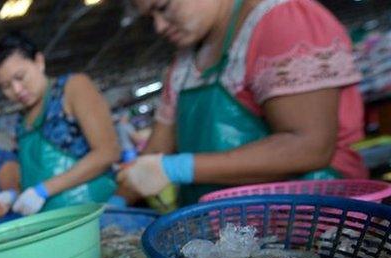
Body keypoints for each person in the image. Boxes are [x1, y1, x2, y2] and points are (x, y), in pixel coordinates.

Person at [119, 0, 367, 206]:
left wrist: (178, 168)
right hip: (223, 227)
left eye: (162, 7)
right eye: (150, 16)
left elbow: (309, 146)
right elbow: (155, 152)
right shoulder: (183, 65)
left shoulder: (280, 21)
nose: (159, 26)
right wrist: (111, 205)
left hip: (308, 215)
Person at [0, 31, 121, 215]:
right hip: (51, 224)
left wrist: (44, 190)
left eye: (20, 77)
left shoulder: (72, 87)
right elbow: (33, 176)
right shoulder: (21, 123)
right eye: (6, 87)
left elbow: (108, 152)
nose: (16, 90)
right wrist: (13, 195)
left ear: (39, 62)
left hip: (95, 212)